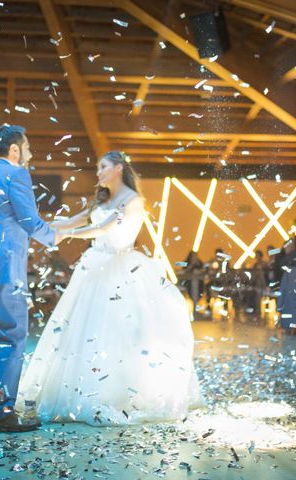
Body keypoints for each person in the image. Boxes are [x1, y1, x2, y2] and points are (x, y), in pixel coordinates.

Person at [18, 151, 202, 425]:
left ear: (118, 168)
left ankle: (118, 392)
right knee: (85, 330)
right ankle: (84, 387)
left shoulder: (134, 201)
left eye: (103, 167)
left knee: (120, 331)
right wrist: (35, 226)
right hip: (94, 269)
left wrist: (66, 234)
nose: (98, 173)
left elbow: (103, 228)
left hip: (121, 269)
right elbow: (71, 221)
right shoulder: (102, 199)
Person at [0, 124, 61, 433]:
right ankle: (1, 412)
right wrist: (56, 235)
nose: (30, 153)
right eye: (27, 146)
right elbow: (30, 221)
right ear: (14, 150)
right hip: (4, 267)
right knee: (12, 336)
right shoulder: (16, 174)